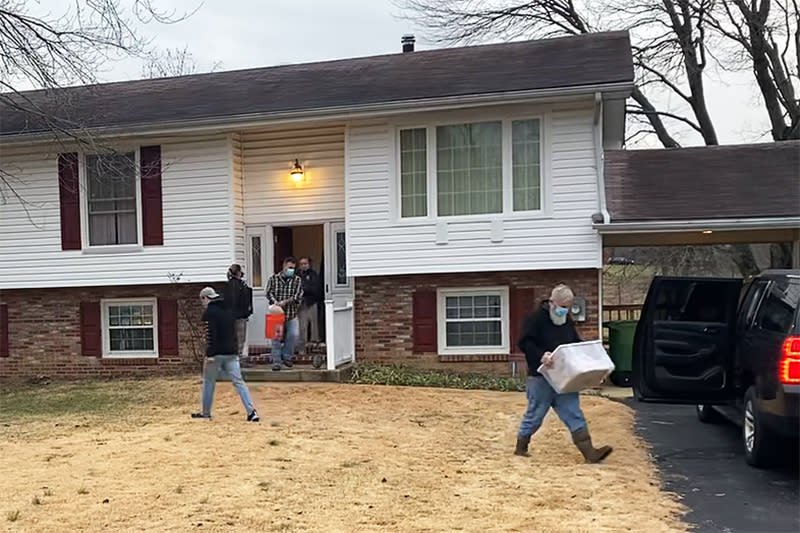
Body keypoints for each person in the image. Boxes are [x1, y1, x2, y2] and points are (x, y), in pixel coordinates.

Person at [514, 284, 612, 463]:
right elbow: (524, 342)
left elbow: (574, 345)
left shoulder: (567, 321)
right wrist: (541, 355)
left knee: (573, 412)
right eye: (563, 307)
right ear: (552, 303)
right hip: (540, 377)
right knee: (535, 414)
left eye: (568, 307)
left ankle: (589, 453)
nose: (565, 311)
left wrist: (592, 365)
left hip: (564, 377)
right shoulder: (535, 319)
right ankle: (521, 446)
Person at [191, 287, 260, 422]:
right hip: (231, 352)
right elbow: (234, 334)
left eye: (202, 300)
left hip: (216, 354)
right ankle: (251, 412)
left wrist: (210, 354)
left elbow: (210, 335)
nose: (202, 303)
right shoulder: (228, 310)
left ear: (206, 298)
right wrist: (236, 351)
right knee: (239, 382)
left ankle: (205, 413)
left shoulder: (209, 313)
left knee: (209, 382)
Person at [266, 256, 304, 371]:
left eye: (293, 268)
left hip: (291, 313)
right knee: (276, 338)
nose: (291, 270)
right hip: (276, 313)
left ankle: (287, 356)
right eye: (289, 267)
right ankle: (277, 361)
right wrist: (276, 303)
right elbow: (268, 292)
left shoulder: (297, 280)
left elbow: (298, 295)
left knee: (293, 335)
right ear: (284, 266)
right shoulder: (273, 279)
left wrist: (285, 302)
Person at [222, 264, 253, 358]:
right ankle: (237, 359)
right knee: (240, 339)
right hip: (240, 315)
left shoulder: (227, 285)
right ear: (238, 272)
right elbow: (244, 300)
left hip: (229, 316)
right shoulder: (241, 285)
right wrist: (247, 312)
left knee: (232, 339)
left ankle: (233, 358)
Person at [297, 256, 322, 354]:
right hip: (301, 304)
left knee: (314, 324)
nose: (303, 266)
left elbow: (315, 289)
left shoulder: (313, 275)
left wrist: (304, 289)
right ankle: (302, 348)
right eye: (301, 264)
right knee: (302, 326)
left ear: (309, 264)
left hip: (312, 302)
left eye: (305, 263)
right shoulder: (297, 275)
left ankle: (314, 345)